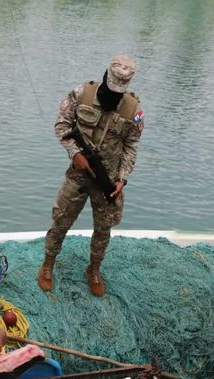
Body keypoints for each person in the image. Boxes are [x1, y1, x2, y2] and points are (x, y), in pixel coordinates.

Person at [37, 55, 145, 297]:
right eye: (110, 89)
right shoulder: (81, 94)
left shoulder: (133, 110)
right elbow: (62, 125)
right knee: (61, 219)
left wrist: (122, 179)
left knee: (104, 228)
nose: (113, 95)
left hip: (108, 179)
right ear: (106, 77)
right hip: (78, 175)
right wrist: (75, 154)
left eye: (118, 92)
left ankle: (94, 269)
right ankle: (48, 264)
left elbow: (132, 145)